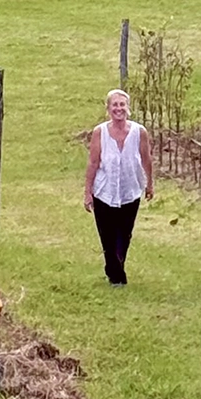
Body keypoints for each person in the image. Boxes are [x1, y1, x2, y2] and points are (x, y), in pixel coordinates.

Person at [84, 87, 154, 285]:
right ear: (108, 108)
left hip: (130, 191)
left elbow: (146, 159)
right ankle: (116, 276)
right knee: (107, 235)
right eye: (115, 105)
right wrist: (88, 192)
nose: (118, 108)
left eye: (122, 104)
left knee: (124, 234)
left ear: (128, 108)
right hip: (104, 191)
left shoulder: (139, 132)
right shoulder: (100, 133)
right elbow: (93, 163)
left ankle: (116, 265)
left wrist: (150, 184)